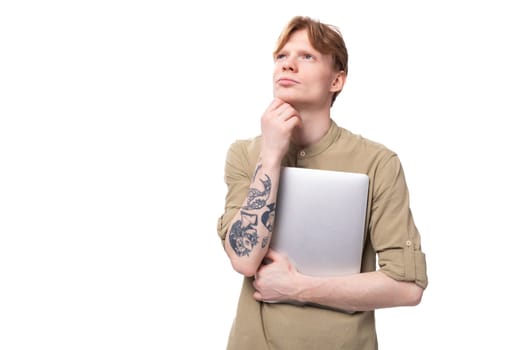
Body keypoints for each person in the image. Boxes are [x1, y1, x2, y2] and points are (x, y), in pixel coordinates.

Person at [216, 15, 428, 350]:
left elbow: (407, 286)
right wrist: (271, 155)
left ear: (337, 80)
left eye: (307, 56)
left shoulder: (377, 163)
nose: (288, 65)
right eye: (282, 57)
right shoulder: (245, 154)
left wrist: (296, 287)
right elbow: (243, 258)